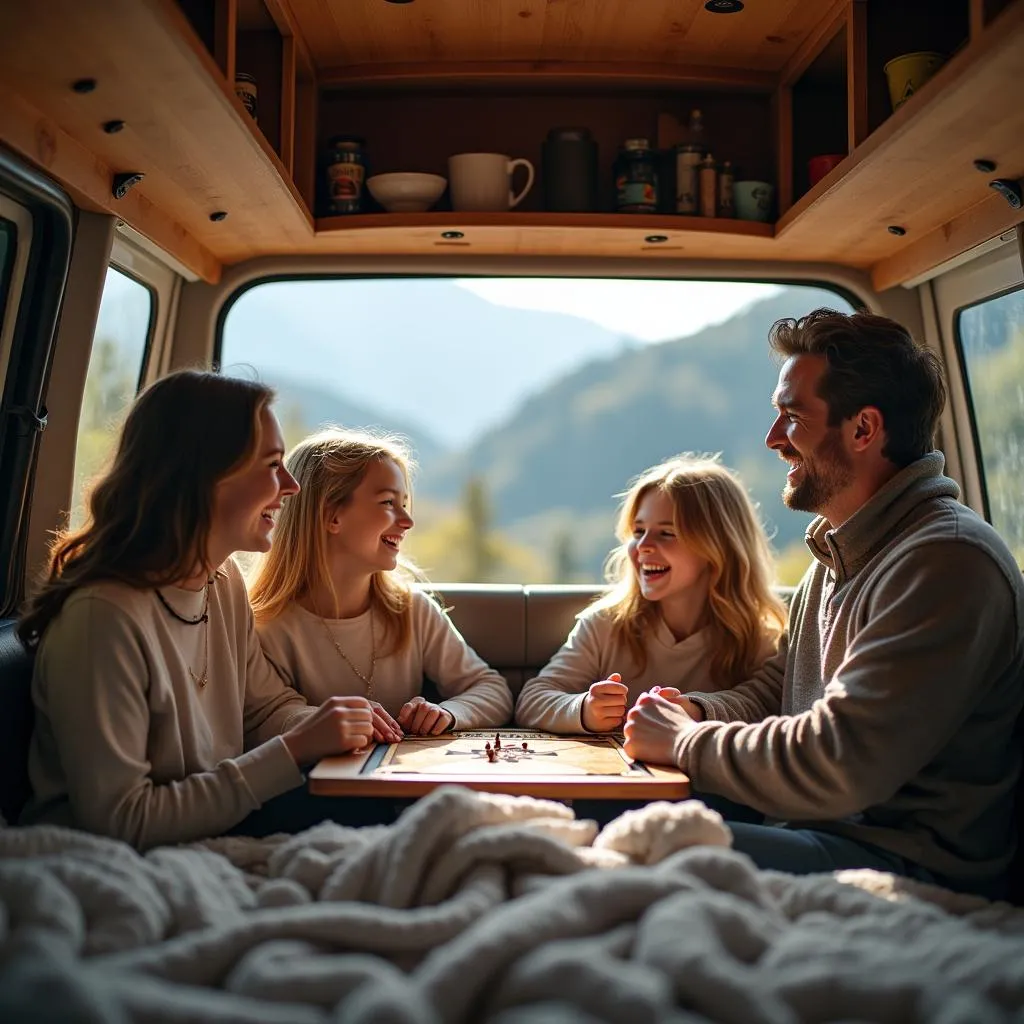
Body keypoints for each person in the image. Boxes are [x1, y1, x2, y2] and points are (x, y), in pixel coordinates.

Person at [623, 308, 1024, 898]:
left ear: (863, 429)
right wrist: (700, 711)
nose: (772, 439)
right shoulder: (839, 555)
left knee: (647, 845)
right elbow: (780, 688)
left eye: (791, 416)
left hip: (903, 864)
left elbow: (840, 758)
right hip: (823, 832)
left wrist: (684, 741)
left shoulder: (945, 562)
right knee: (615, 825)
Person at [18, 371, 375, 851]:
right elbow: (122, 821)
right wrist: (296, 749)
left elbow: (264, 707)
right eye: (272, 465)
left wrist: (330, 725)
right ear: (204, 475)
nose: (290, 486)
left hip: (209, 836)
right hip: (116, 859)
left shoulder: (221, 582)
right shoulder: (102, 619)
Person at [248, 428, 513, 736]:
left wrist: (448, 713)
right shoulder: (266, 628)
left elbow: (493, 690)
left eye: (404, 503)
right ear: (331, 517)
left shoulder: (412, 611)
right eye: (388, 502)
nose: (407, 521)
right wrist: (329, 721)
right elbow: (268, 717)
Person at [516, 454, 786, 733]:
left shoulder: (760, 641)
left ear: (718, 547)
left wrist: (694, 711)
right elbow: (532, 699)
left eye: (667, 533)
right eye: (639, 531)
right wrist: (583, 709)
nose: (643, 546)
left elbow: (767, 706)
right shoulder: (604, 626)